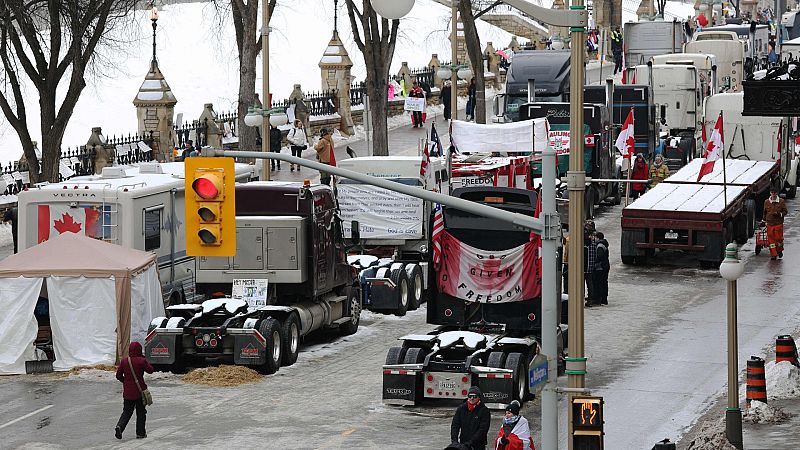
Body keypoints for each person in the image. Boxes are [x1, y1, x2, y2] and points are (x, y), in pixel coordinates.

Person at [115, 342, 154, 440]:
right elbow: (151, 370)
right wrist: (144, 359)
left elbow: (118, 375)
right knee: (141, 413)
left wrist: (125, 382)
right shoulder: (141, 361)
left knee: (126, 412)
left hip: (128, 392)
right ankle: (140, 433)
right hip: (139, 392)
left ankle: (120, 426)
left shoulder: (124, 361)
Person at [451, 386, 491, 450]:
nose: (472, 398)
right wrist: (454, 441)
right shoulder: (461, 408)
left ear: (479, 397)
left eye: (475, 396)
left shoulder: (484, 410)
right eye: (470, 396)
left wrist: (471, 442)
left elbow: (483, 429)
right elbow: (455, 425)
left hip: (478, 444)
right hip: (463, 443)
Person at [763, 186, 788, 260]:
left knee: (779, 239)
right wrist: (764, 220)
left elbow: (785, 211)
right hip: (770, 224)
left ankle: (779, 250)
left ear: (777, 193)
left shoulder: (781, 201)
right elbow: (764, 212)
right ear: (770, 193)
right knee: (771, 241)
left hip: (778, 224)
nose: (773, 194)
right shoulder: (766, 202)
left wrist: (779, 214)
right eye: (772, 193)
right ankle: (773, 254)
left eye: (775, 193)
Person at [592, 232, 610, 306]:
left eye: (595, 237)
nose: (594, 238)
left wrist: (594, 262)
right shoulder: (603, 244)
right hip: (605, 266)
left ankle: (601, 299)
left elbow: (600, 257)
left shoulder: (599, 246)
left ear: (598, 238)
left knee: (600, 283)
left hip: (601, 267)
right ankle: (604, 299)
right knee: (604, 282)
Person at [583, 220, 596, 308]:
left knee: (581, 285)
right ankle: (590, 300)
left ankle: (581, 298)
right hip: (590, 267)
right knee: (590, 284)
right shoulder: (594, 242)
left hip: (583, 267)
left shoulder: (583, 242)